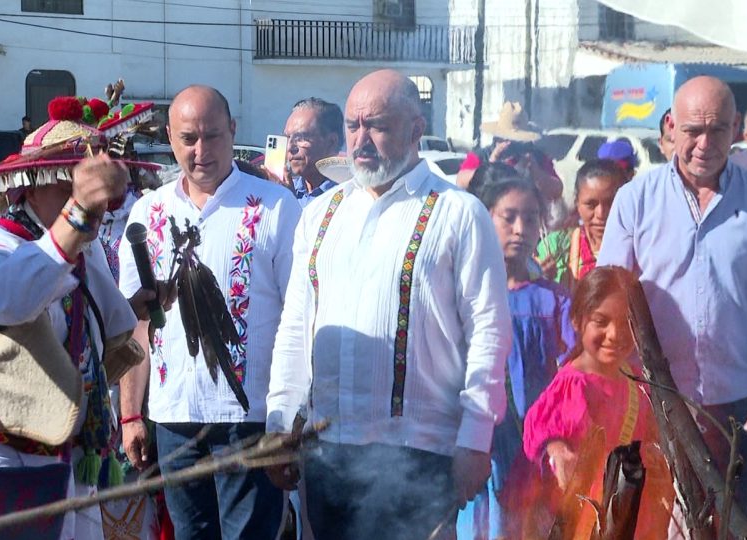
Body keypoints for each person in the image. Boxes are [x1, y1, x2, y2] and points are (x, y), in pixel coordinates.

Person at [265, 69, 511, 539]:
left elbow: (489, 332)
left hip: (420, 453)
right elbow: (296, 324)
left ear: (416, 130)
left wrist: (476, 441)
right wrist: (280, 421)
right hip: (328, 451)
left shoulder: (457, 212)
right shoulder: (320, 213)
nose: (361, 140)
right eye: (354, 125)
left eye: (376, 125)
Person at [0, 97, 157, 539]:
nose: (93, 203)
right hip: (4, 458)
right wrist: (76, 218)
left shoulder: (81, 249)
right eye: (68, 186)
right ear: (31, 187)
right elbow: (8, 298)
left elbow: (100, 326)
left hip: (69, 451)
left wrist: (139, 306)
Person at [598, 75, 747, 513]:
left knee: (726, 524)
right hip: (650, 404)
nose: (704, 143)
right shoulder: (636, 200)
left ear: (736, 127)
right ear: (671, 126)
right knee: (647, 522)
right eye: (693, 130)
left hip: (733, 407)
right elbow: (607, 298)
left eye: (717, 130)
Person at [118, 85, 301, 540]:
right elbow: (137, 328)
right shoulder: (148, 212)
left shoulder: (276, 207)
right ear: (169, 138)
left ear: (233, 131)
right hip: (174, 416)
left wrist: (288, 420)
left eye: (213, 136)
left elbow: (299, 319)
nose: (202, 151)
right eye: (188, 139)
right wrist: (131, 415)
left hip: (252, 418)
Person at [457, 167, 574, 540]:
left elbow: (575, 370)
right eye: (509, 217)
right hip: (480, 448)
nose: (521, 229)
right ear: (484, 217)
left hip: (537, 449)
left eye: (531, 218)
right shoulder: (462, 294)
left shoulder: (552, 300)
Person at [517, 266, 674, 539]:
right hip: (587, 522)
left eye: (627, 322)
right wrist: (556, 452)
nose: (615, 334)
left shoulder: (636, 382)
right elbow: (538, 433)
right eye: (601, 322)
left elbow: (648, 434)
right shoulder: (572, 386)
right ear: (577, 320)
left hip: (634, 516)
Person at [537, 159, 627, 290]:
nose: (601, 214)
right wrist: (541, 278)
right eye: (591, 204)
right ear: (577, 203)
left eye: (610, 203)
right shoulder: (556, 246)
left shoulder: (638, 249)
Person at [284, 97, 344, 205]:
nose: (289, 148)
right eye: (288, 137)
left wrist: (290, 204)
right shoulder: (287, 189)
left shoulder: (347, 196)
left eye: (300, 138)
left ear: (331, 142)